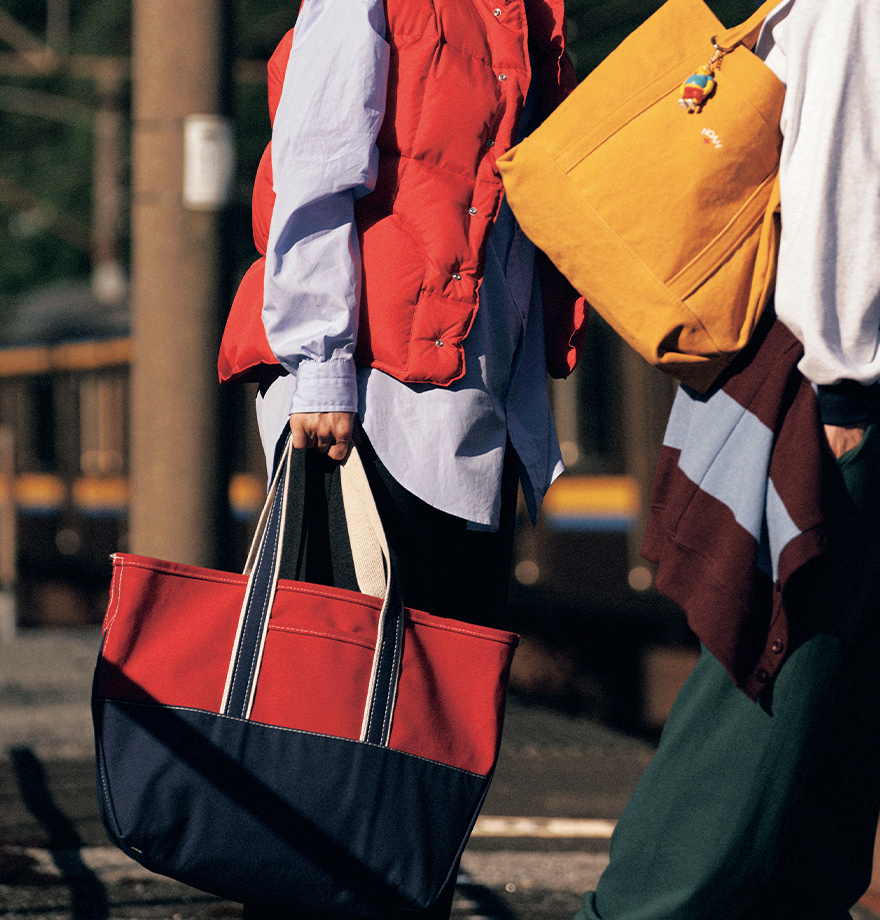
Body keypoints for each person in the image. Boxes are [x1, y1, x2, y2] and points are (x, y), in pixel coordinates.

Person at [574, 1, 880, 919]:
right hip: (833, 367)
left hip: (862, 352)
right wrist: (844, 379)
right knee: (776, 683)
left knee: (830, 705)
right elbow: (842, 154)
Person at [216, 0, 586, 916]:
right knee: (338, 711)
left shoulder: (528, 15)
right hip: (370, 396)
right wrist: (323, 369)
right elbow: (315, 160)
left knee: (432, 721)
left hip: (471, 403)